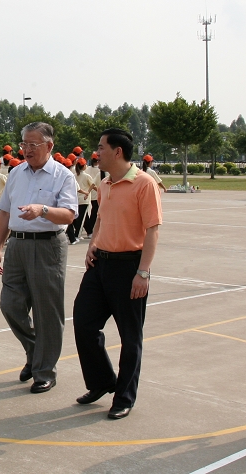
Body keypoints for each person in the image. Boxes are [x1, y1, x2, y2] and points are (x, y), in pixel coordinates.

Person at [73, 129, 162, 420]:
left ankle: (124, 397)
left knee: (130, 336)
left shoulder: (144, 184)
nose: (96, 152)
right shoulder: (105, 183)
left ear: (117, 151)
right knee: (84, 323)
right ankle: (102, 381)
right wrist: (92, 244)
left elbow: (152, 230)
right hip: (100, 264)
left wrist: (143, 272)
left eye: (101, 147)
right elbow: (100, 218)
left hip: (129, 266)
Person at [0, 122, 78, 393]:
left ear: (49, 146)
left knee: (46, 312)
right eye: (24, 144)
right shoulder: (16, 173)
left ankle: (44, 371)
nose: (27, 150)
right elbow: (5, 212)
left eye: (33, 145)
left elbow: (69, 214)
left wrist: (43, 210)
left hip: (48, 245)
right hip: (17, 245)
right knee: (10, 304)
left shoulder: (62, 176)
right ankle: (35, 350)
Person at [67, 157, 96, 244]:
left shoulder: (74, 175)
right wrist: (98, 191)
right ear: (83, 166)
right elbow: (93, 185)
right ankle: (77, 235)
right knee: (81, 219)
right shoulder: (86, 176)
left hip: (77, 199)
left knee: (84, 217)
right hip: (84, 200)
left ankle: (89, 232)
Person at [83, 153, 101, 237]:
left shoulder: (87, 169)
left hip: (90, 193)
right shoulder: (100, 170)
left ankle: (90, 228)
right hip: (98, 193)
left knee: (94, 211)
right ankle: (91, 228)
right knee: (96, 212)